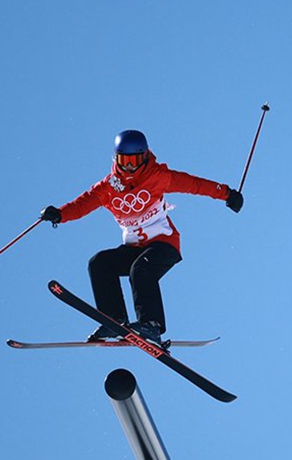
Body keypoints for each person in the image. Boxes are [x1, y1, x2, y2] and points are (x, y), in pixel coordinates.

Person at [40, 129, 244, 346]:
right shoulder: (108, 187)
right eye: (124, 160)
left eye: (134, 160)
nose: (129, 166)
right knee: (99, 263)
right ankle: (113, 321)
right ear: (116, 159)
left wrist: (227, 194)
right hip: (135, 247)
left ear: (145, 157)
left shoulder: (158, 177)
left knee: (141, 269)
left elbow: (195, 185)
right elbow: (82, 204)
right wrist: (60, 214)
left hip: (164, 244)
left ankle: (151, 325)